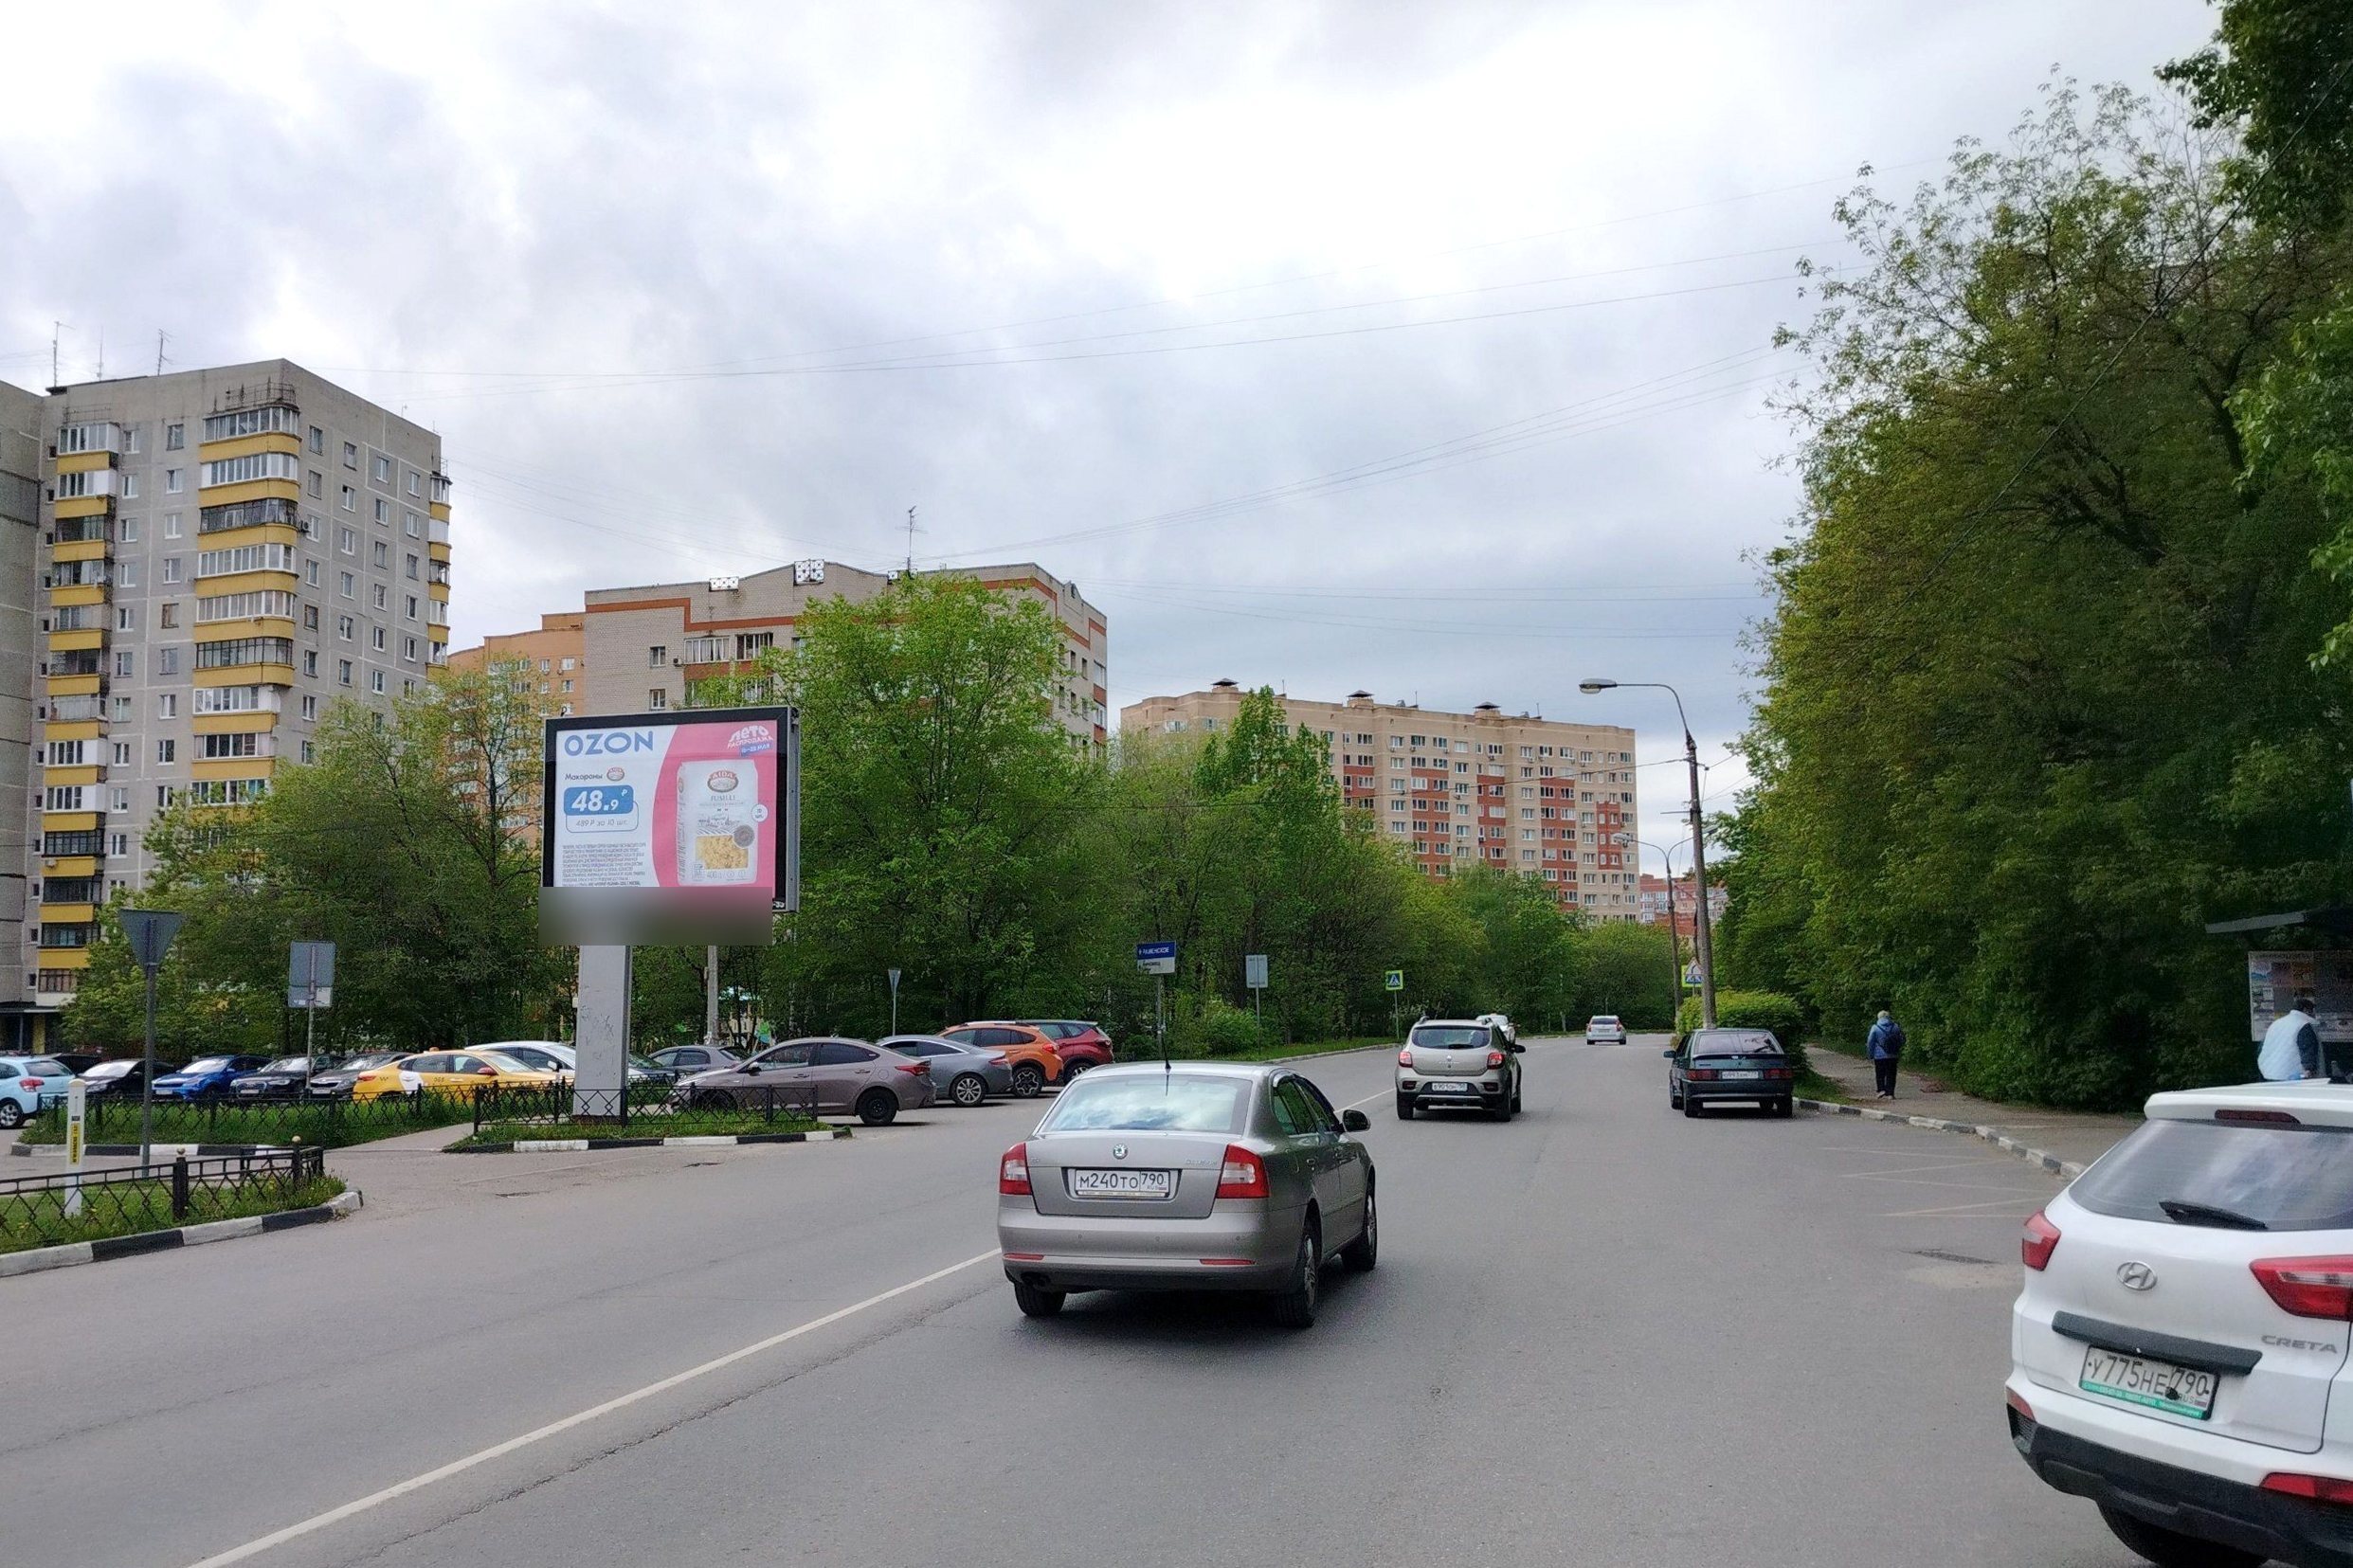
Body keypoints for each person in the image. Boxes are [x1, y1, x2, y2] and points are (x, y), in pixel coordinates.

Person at [2258, 993, 2322, 1083]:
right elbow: (2307, 1049)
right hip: (2292, 1075)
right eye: (2312, 1011)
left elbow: (2263, 1047)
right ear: (2305, 1010)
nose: (2313, 1014)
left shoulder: (2276, 1023)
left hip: (2269, 1073)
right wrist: (2309, 1070)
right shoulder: (2303, 1025)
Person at [1866, 1009, 1906, 1099]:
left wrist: (1870, 1054)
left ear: (1879, 1018)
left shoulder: (1875, 1028)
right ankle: (1890, 1093)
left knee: (1880, 1073)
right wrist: (1897, 1048)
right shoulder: (1895, 1026)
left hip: (1879, 1056)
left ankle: (1881, 1090)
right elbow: (1902, 1039)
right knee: (1891, 1074)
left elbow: (1870, 1042)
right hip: (1893, 1055)